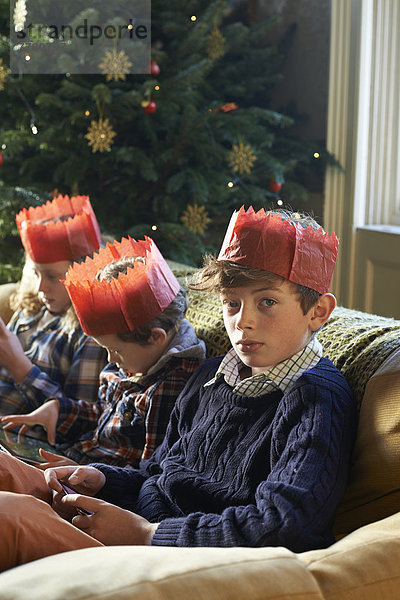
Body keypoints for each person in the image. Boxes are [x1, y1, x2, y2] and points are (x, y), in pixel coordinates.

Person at [0, 206, 357, 571]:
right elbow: (157, 471)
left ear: (317, 312)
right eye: (232, 303)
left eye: (267, 302)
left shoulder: (315, 398)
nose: (243, 321)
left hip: (179, 558)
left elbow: (285, 524)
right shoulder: (211, 375)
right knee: (4, 466)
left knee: (10, 516)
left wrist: (147, 534)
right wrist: (102, 480)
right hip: (137, 524)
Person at [1, 236, 205, 466]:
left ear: (156, 337)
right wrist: (60, 410)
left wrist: (83, 473)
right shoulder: (137, 359)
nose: (109, 359)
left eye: (115, 350)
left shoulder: (170, 387)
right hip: (75, 457)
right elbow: (104, 417)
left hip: (96, 480)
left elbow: (149, 471)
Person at [0, 194, 107, 418]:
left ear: (85, 275)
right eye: (36, 273)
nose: (40, 287)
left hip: (18, 439)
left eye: (51, 276)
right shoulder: (31, 308)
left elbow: (79, 420)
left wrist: (21, 369)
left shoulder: (91, 334)